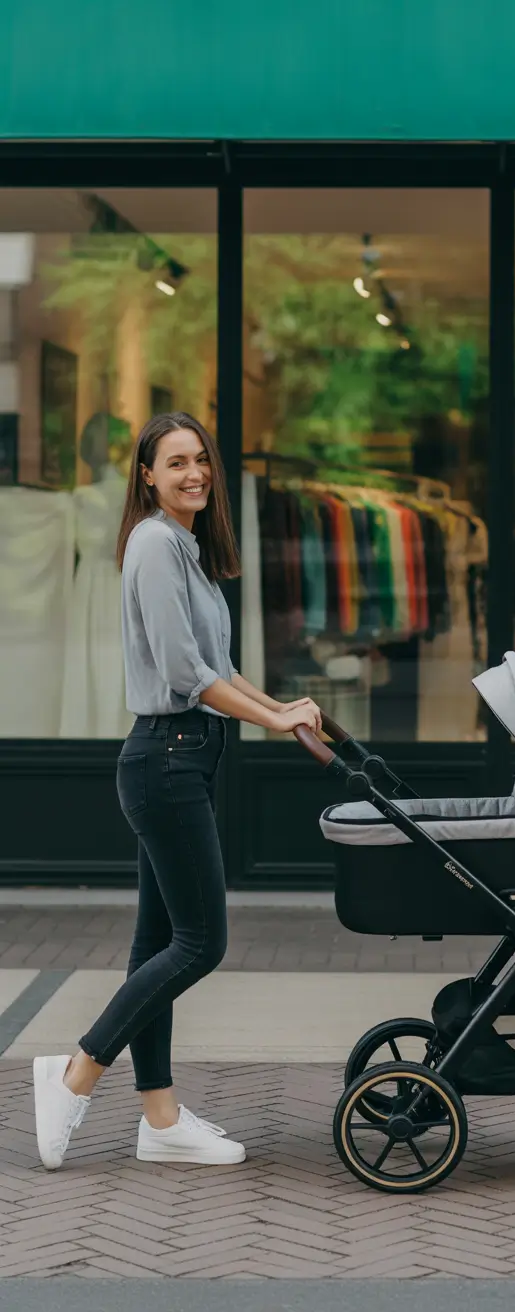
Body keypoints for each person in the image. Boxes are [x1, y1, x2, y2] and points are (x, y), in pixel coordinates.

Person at [32, 412, 321, 1171]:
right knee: (200, 942)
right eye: (177, 462)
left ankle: (160, 1120)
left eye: (202, 461)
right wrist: (271, 717)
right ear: (147, 476)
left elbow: (216, 663)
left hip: (182, 759)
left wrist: (279, 710)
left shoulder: (184, 547)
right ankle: (76, 1074)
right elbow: (188, 678)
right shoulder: (155, 544)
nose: (195, 473)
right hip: (167, 760)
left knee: (157, 945)